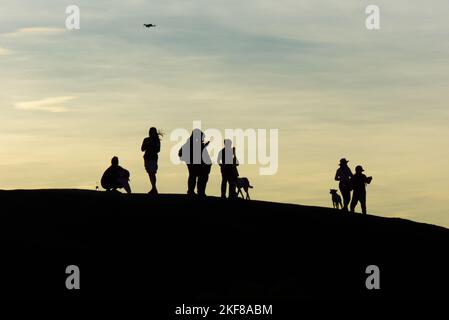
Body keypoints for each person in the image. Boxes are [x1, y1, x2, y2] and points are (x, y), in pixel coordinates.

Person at [178, 129, 212, 197]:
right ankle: (197, 192)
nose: (203, 139)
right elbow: (181, 153)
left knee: (196, 177)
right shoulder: (191, 144)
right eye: (202, 137)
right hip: (196, 165)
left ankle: (197, 191)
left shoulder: (192, 143)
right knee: (196, 176)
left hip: (199, 165)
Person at [141, 127, 162, 195]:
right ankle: (154, 188)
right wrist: (147, 145)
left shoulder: (156, 140)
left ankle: (154, 188)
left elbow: (158, 150)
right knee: (150, 173)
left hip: (152, 158)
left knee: (152, 173)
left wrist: (151, 146)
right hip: (147, 158)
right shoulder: (146, 139)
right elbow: (142, 149)